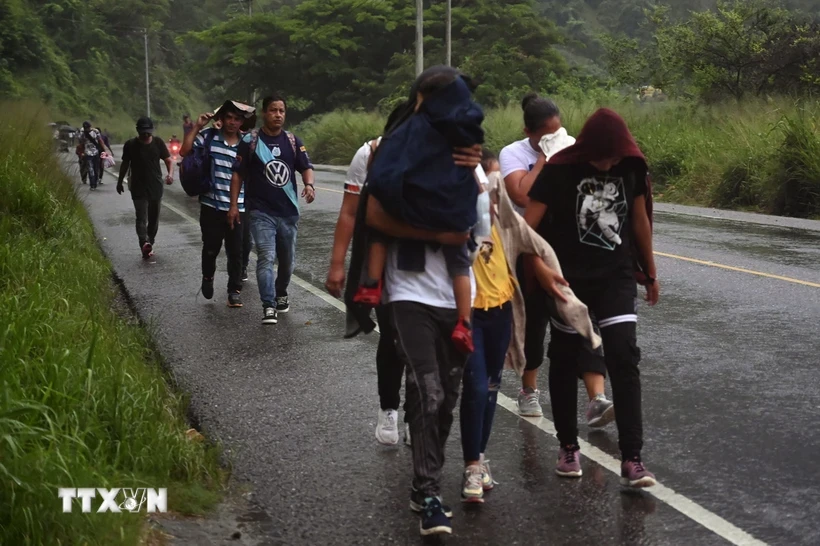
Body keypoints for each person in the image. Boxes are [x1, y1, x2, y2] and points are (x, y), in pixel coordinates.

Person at [344, 65, 489, 536]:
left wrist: (475, 175)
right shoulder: (396, 148)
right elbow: (373, 213)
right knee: (429, 389)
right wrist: (436, 231)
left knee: (444, 398)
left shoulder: (467, 156)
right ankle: (429, 493)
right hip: (406, 290)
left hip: (454, 292)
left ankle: (421, 481)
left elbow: (474, 228)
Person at [325, 116, 483, 447]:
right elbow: (351, 213)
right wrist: (337, 263)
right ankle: (389, 410)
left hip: (436, 265)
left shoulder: (454, 156)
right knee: (393, 340)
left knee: (425, 347)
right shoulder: (368, 155)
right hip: (385, 260)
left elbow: (481, 208)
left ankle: (416, 416)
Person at [525, 107, 659, 487]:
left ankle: (633, 458)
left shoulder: (630, 169)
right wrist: (540, 270)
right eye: (602, 157)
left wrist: (649, 273)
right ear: (587, 149)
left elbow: (639, 222)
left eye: (614, 158)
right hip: (567, 280)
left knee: (623, 356)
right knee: (565, 359)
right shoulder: (560, 170)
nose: (608, 164)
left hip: (614, 278)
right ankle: (568, 447)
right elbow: (526, 228)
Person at [459, 151, 601, 503]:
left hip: (500, 314)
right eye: (485, 185)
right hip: (469, 315)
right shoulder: (457, 220)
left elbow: (537, 246)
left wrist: (553, 280)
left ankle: (480, 457)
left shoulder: (506, 221)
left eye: (496, 185)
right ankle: (472, 463)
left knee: (491, 387)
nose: (492, 192)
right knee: (476, 386)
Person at [351, 68, 486, 356]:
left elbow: (482, 207)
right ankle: (464, 322)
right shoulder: (409, 131)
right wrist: (443, 233)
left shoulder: (461, 144)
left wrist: (474, 165)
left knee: (440, 381)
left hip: (442, 286)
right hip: (405, 285)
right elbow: (373, 214)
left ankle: (370, 285)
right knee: (395, 349)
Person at [499, 94, 614, 428]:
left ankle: (596, 399)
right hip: (526, 248)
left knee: (582, 315)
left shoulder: (572, 147)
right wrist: (545, 159)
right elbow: (521, 195)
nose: (553, 137)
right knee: (534, 323)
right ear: (529, 132)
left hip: (566, 247)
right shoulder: (514, 153)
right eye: (545, 134)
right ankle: (528, 389)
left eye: (557, 131)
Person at [228, 94, 315, 324]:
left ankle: (281, 293)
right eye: (273, 110)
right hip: (260, 211)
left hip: (288, 212)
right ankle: (268, 305)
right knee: (266, 256)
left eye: (281, 111)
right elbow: (237, 174)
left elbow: (306, 167)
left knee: (287, 262)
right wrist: (234, 205)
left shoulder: (293, 141)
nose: (278, 115)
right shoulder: (250, 142)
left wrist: (309, 184)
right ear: (265, 113)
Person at [180, 100, 255, 308]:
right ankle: (208, 277)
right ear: (221, 119)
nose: (232, 122)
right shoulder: (209, 138)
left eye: (237, 118)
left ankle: (234, 291)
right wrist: (197, 126)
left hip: (238, 207)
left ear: (242, 122)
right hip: (211, 206)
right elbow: (184, 151)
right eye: (229, 117)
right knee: (211, 248)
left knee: (236, 251)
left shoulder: (247, 144)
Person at [116, 117, 174, 259]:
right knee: (141, 217)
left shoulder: (158, 143)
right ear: (138, 131)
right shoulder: (130, 145)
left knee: (153, 220)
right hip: (138, 187)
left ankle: (150, 242)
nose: (146, 135)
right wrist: (119, 181)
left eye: (148, 132)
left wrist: (170, 174)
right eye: (143, 133)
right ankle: (144, 242)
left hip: (155, 186)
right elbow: (125, 164)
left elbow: (168, 160)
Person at [80, 121, 109, 190]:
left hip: (96, 152)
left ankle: (95, 182)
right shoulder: (83, 134)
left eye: (88, 127)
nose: (87, 129)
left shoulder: (96, 132)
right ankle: (92, 185)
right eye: (85, 128)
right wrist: (82, 152)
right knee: (90, 169)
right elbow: (81, 143)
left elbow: (100, 141)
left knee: (96, 169)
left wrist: (105, 150)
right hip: (88, 153)